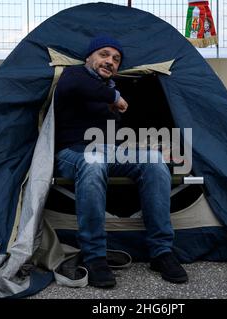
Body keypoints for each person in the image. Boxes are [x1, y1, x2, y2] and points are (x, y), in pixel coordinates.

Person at [53, 35, 188, 288]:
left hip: (105, 150)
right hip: (71, 153)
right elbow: (76, 89)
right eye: (104, 54)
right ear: (89, 57)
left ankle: (161, 252)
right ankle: (94, 256)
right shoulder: (74, 75)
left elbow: (113, 136)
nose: (110, 61)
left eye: (116, 59)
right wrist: (114, 97)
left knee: (153, 160)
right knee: (93, 164)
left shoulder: (108, 91)